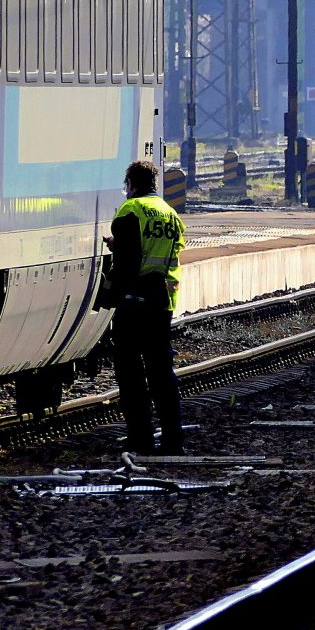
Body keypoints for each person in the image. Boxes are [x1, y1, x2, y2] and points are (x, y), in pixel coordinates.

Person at [100, 160, 186, 455]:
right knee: (162, 373)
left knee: (131, 373)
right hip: (163, 302)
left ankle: (142, 439)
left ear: (131, 184)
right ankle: (173, 440)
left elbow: (128, 261)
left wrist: (109, 294)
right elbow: (159, 253)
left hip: (134, 303)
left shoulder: (130, 211)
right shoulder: (170, 214)